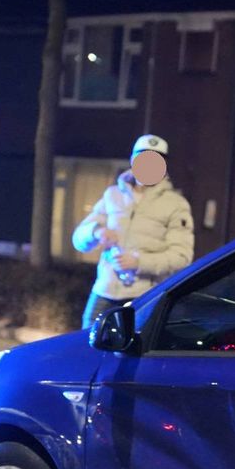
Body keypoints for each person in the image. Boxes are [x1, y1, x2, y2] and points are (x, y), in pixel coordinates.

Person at [73, 134, 195, 328]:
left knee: (137, 346)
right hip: (105, 291)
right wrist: (96, 232)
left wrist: (139, 262)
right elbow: (79, 239)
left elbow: (182, 256)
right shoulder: (113, 195)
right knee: (87, 343)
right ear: (132, 160)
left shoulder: (176, 204)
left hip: (145, 297)